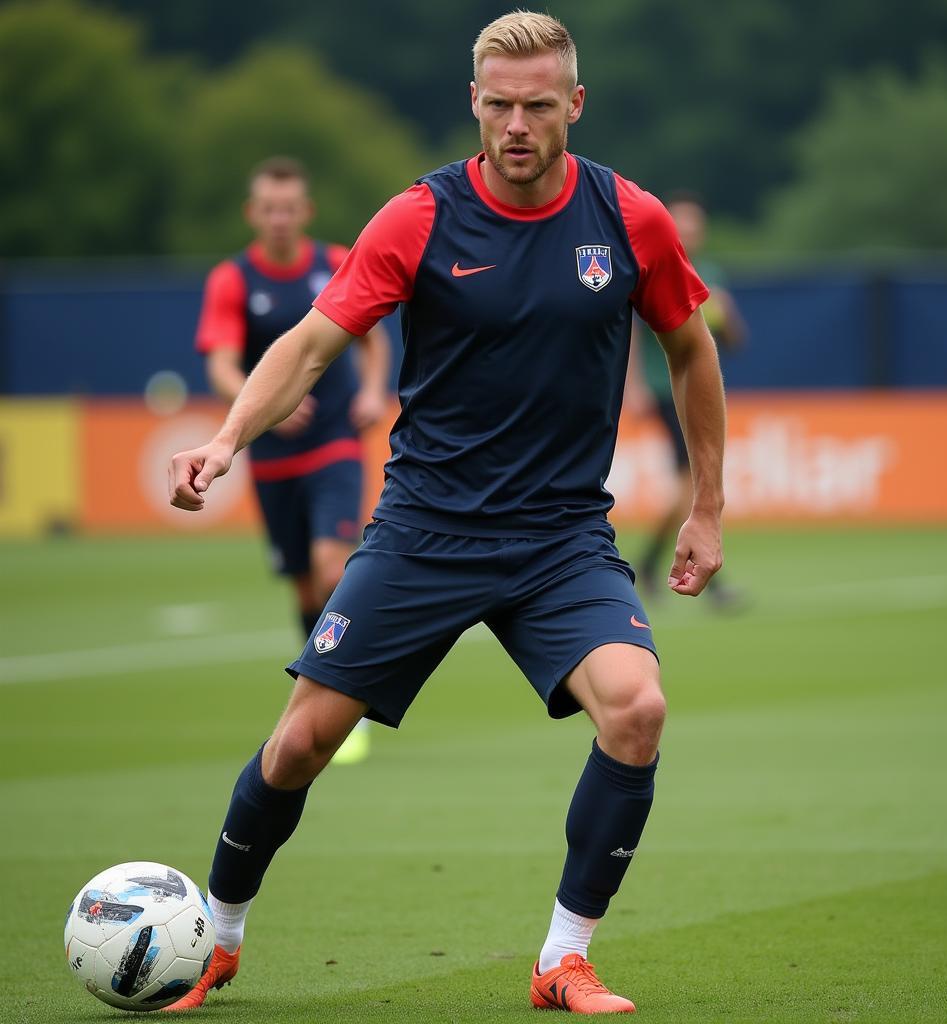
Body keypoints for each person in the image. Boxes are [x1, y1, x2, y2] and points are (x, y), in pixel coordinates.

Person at [166, 11, 725, 1015]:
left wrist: (709, 506)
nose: (517, 125)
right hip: (425, 530)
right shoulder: (417, 218)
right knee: (297, 748)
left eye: (539, 106)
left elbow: (691, 349)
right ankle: (217, 935)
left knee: (637, 709)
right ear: (473, 101)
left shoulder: (628, 219)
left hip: (559, 539)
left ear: (575, 105)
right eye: (499, 105)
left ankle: (563, 958)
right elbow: (309, 342)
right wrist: (225, 439)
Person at [195, 156, 390, 764]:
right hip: (273, 458)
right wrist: (259, 398)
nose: (280, 219)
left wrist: (372, 389)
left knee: (333, 567)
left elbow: (373, 337)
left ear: (305, 213)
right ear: (254, 214)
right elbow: (221, 362)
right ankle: (323, 695)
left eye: (290, 208)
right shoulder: (231, 280)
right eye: (269, 209)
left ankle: (348, 702)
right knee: (305, 583)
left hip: (334, 442)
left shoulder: (334, 263)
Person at [626, 192, 746, 607]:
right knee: (690, 486)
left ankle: (648, 563)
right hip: (664, 391)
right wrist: (635, 387)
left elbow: (732, 341)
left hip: (698, 394)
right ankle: (708, 577)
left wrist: (726, 312)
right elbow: (633, 333)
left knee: (688, 486)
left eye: (695, 226)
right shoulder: (653, 263)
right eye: (682, 225)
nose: (688, 233)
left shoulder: (710, 275)